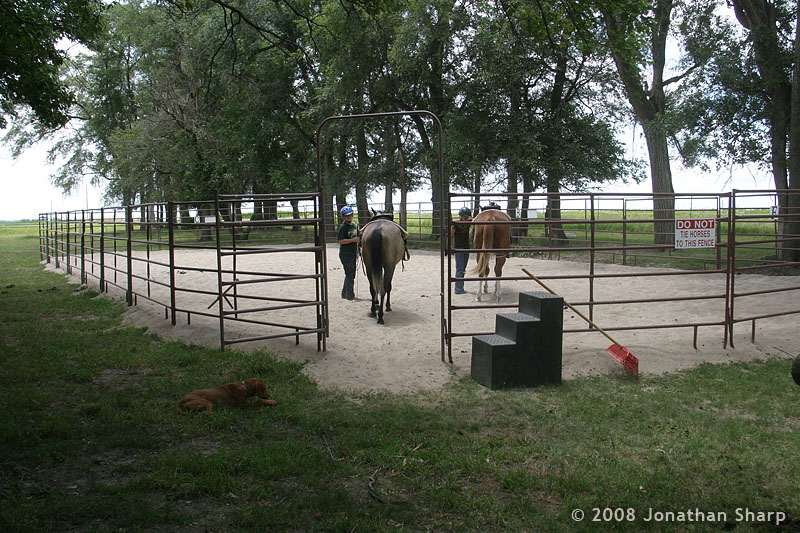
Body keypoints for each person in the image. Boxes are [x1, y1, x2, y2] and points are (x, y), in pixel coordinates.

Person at [337, 205, 359, 300]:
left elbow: (358, 237)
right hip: (345, 254)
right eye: (346, 216)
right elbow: (341, 241)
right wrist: (354, 240)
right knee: (350, 274)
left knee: (351, 273)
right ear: (343, 217)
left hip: (353, 253)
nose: (349, 217)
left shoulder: (355, 226)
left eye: (350, 215)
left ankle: (344, 292)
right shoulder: (343, 227)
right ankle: (350, 294)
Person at [450, 206, 472, 294]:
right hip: (459, 248)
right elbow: (450, 236)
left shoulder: (469, 224)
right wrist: (451, 247)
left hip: (466, 248)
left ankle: (460, 287)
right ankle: (458, 289)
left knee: (463, 268)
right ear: (461, 216)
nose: (466, 219)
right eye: (465, 217)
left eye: (467, 217)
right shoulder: (455, 225)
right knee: (460, 268)